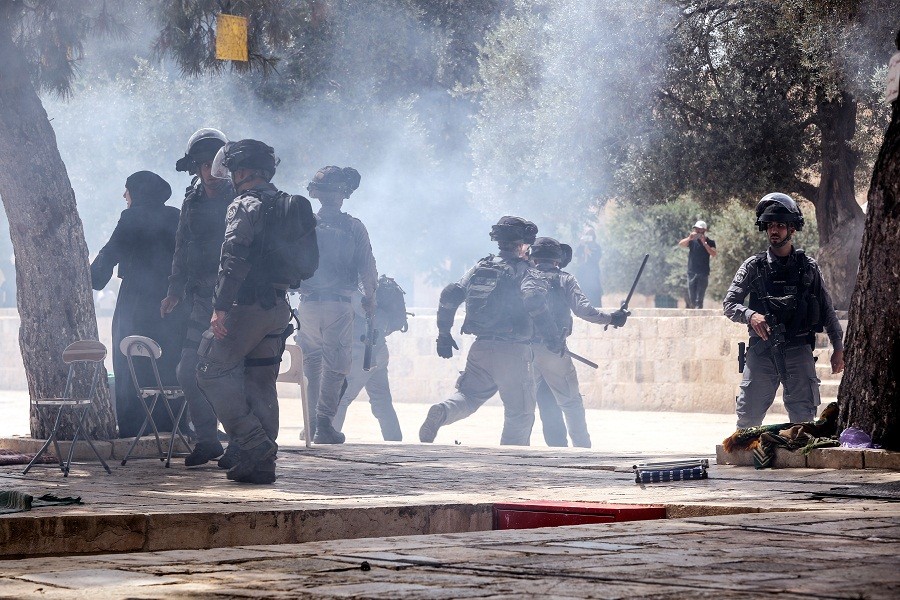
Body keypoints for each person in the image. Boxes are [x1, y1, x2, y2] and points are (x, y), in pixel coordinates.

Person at [196, 139, 311, 484]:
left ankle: (255, 444)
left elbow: (232, 258)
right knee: (261, 382)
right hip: (279, 306)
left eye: (233, 171)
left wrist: (220, 307)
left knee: (209, 371)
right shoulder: (285, 204)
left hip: (246, 306)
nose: (231, 177)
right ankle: (261, 465)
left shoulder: (245, 204)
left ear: (243, 171)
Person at [419, 216, 551, 446]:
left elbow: (450, 294)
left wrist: (444, 334)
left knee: (468, 396)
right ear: (523, 243)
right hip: (513, 350)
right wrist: (552, 336)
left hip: (480, 348)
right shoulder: (526, 271)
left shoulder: (480, 266)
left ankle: (443, 411)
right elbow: (534, 299)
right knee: (519, 413)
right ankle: (512, 464)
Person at [723, 193, 844, 428]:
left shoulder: (808, 267)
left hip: (799, 350)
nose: (774, 230)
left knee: (803, 421)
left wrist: (838, 347)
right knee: (747, 420)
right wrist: (751, 315)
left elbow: (827, 309)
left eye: (780, 225)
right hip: (763, 351)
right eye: (770, 225)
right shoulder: (753, 266)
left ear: (792, 230)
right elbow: (729, 304)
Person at [161, 128, 235, 467]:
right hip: (202, 298)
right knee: (187, 370)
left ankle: (242, 443)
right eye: (204, 165)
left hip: (234, 299)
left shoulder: (239, 199)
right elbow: (181, 246)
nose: (211, 172)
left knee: (233, 373)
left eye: (215, 164)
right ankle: (207, 440)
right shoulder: (191, 201)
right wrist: (174, 290)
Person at [91, 171, 184, 437]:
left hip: (138, 298)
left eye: (127, 189)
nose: (124, 196)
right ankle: (170, 423)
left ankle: (135, 425)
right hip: (172, 298)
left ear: (138, 192)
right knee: (167, 358)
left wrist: (90, 277)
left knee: (130, 356)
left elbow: (111, 250)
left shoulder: (132, 217)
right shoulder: (176, 215)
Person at [296, 166, 377, 445]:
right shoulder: (354, 227)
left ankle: (311, 425)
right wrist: (371, 301)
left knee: (312, 365)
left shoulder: (304, 223)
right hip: (338, 305)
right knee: (336, 367)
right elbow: (367, 268)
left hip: (307, 306)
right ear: (343, 195)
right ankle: (323, 425)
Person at [527, 237, 628, 448]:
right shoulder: (564, 279)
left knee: (525, 405)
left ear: (533, 257)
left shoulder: (523, 277)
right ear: (557, 259)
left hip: (523, 351)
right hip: (554, 352)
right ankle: (582, 449)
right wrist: (612, 318)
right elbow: (584, 310)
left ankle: (518, 451)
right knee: (571, 403)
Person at [331, 290, 402, 441]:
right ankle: (394, 439)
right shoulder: (370, 288)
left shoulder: (356, 292)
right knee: (382, 401)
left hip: (362, 352)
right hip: (378, 350)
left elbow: (368, 314)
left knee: (342, 396)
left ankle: (330, 433)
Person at [678, 220, 717, 309]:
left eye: (699, 230)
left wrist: (704, 243)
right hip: (691, 272)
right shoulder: (692, 241)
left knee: (699, 298)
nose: (697, 231)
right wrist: (689, 238)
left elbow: (714, 253)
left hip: (703, 272)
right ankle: (693, 312)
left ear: (704, 230)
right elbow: (681, 244)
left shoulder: (710, 242)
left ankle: (699, 314)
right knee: (692, 297)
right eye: (696, 229)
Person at [572, 230, 603, 306]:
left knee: (594, 291)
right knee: (582, 290)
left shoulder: (596, 247)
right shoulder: (582, 246)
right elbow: (576, 254)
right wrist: (581, 244)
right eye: (587, 235)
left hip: (593, 273)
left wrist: (590, 253)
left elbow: (597, 258)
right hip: (582, 273)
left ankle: (596, 307)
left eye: (590, 236)